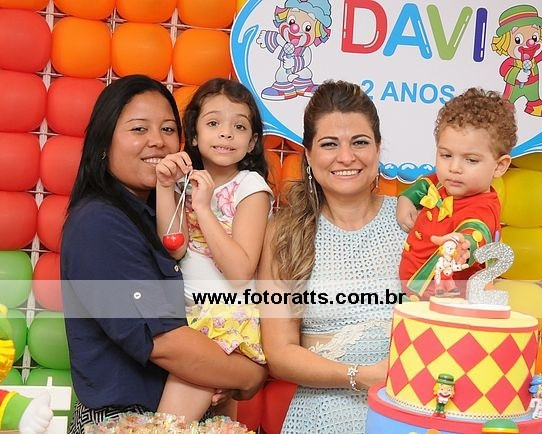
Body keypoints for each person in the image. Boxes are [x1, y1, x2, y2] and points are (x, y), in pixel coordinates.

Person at [60, 75, 266, 433]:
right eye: (139, 129)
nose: (157, 141)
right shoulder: (99, 222)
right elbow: (164, 342)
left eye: (168, 129)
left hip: (181, 410)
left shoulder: (164, 209)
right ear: (104, 142)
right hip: (124, 421)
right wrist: (250, 375)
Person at [257, 80, 407, 433]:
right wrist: (360, 376)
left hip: (406, 414)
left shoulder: (410, 221)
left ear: (378, 148)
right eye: (329, 144)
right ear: (309, 156)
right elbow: (280, 353)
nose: (346, 157)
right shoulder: (285, 234)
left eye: (360, 142)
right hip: (321, 418)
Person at [154, 78, 272, 422]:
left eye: (239, 127)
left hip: (224, 319)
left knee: (168, 426)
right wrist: (165, 187)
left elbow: (239, 271)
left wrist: (204, 209)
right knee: (214, 426)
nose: (226, 133)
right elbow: (174, 247)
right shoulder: (184, 183)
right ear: (193, 135)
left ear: (252, 142)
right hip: (190, 316)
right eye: (213, 123)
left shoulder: (250, 187)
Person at [397, 88, 516, 300]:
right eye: (446, 155)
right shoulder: (447, 180)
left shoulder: (483, 208)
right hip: (412, 292)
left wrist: (464, 245)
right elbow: (426, 183)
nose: (454, 167)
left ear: (499, 166)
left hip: (448, 304)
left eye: (471, 160)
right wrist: (406, 199)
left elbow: (476, 232)